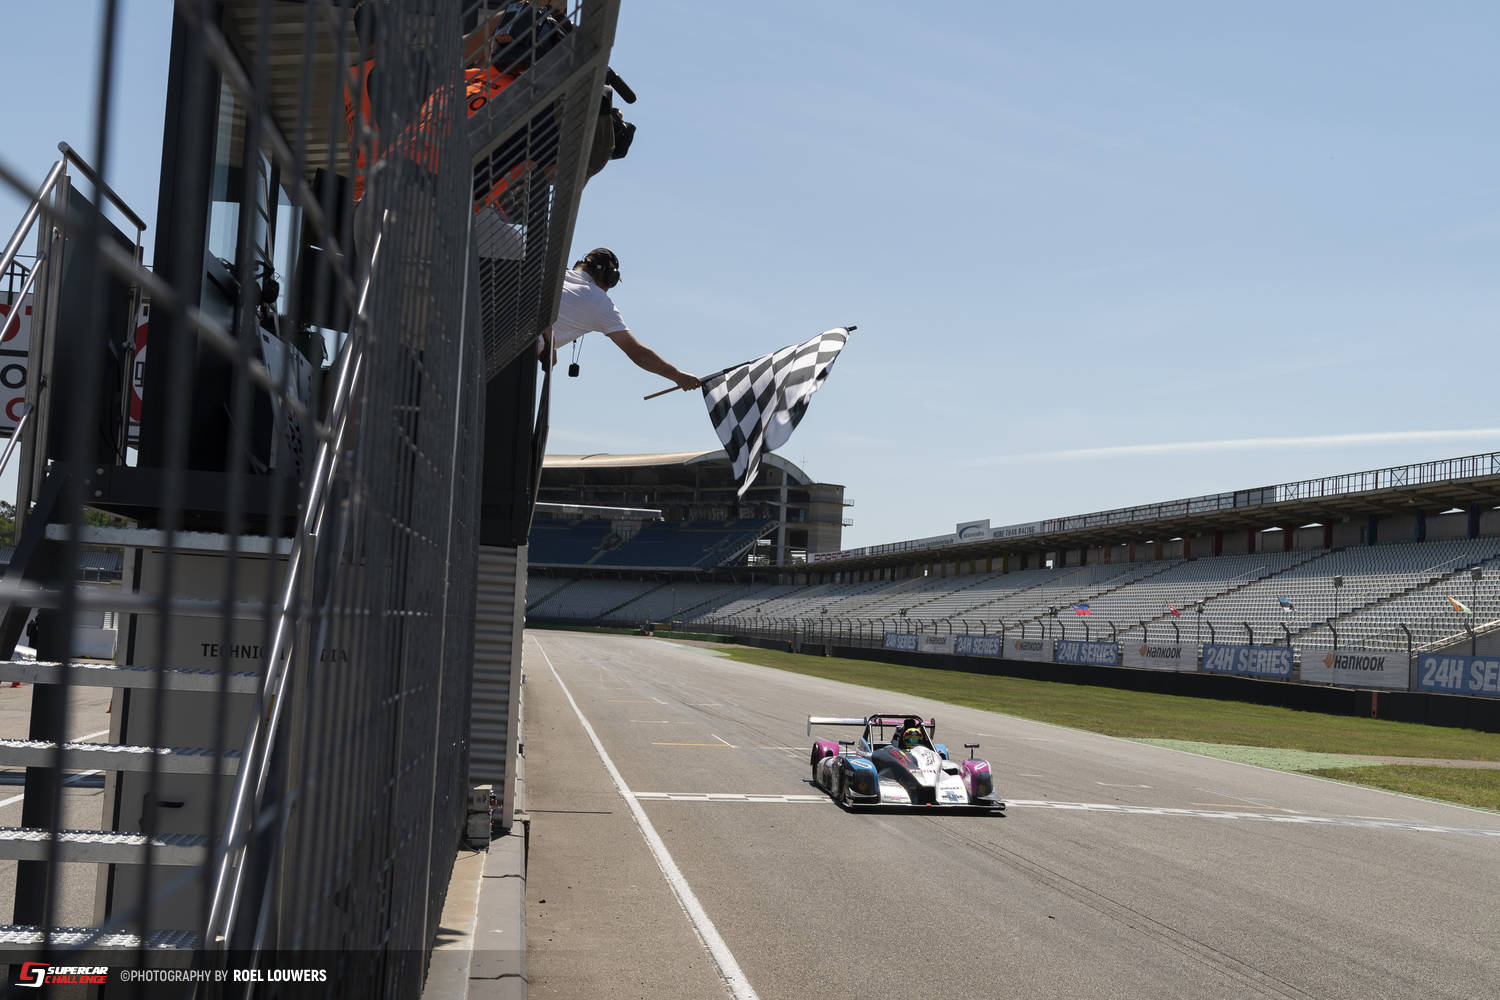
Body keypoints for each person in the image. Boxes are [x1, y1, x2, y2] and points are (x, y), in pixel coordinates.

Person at [542, 249, 699, 392]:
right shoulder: (599, 301)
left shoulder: (555, 276)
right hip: (528, 351)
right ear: (610, 277)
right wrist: (678, 376)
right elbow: (638, 354)